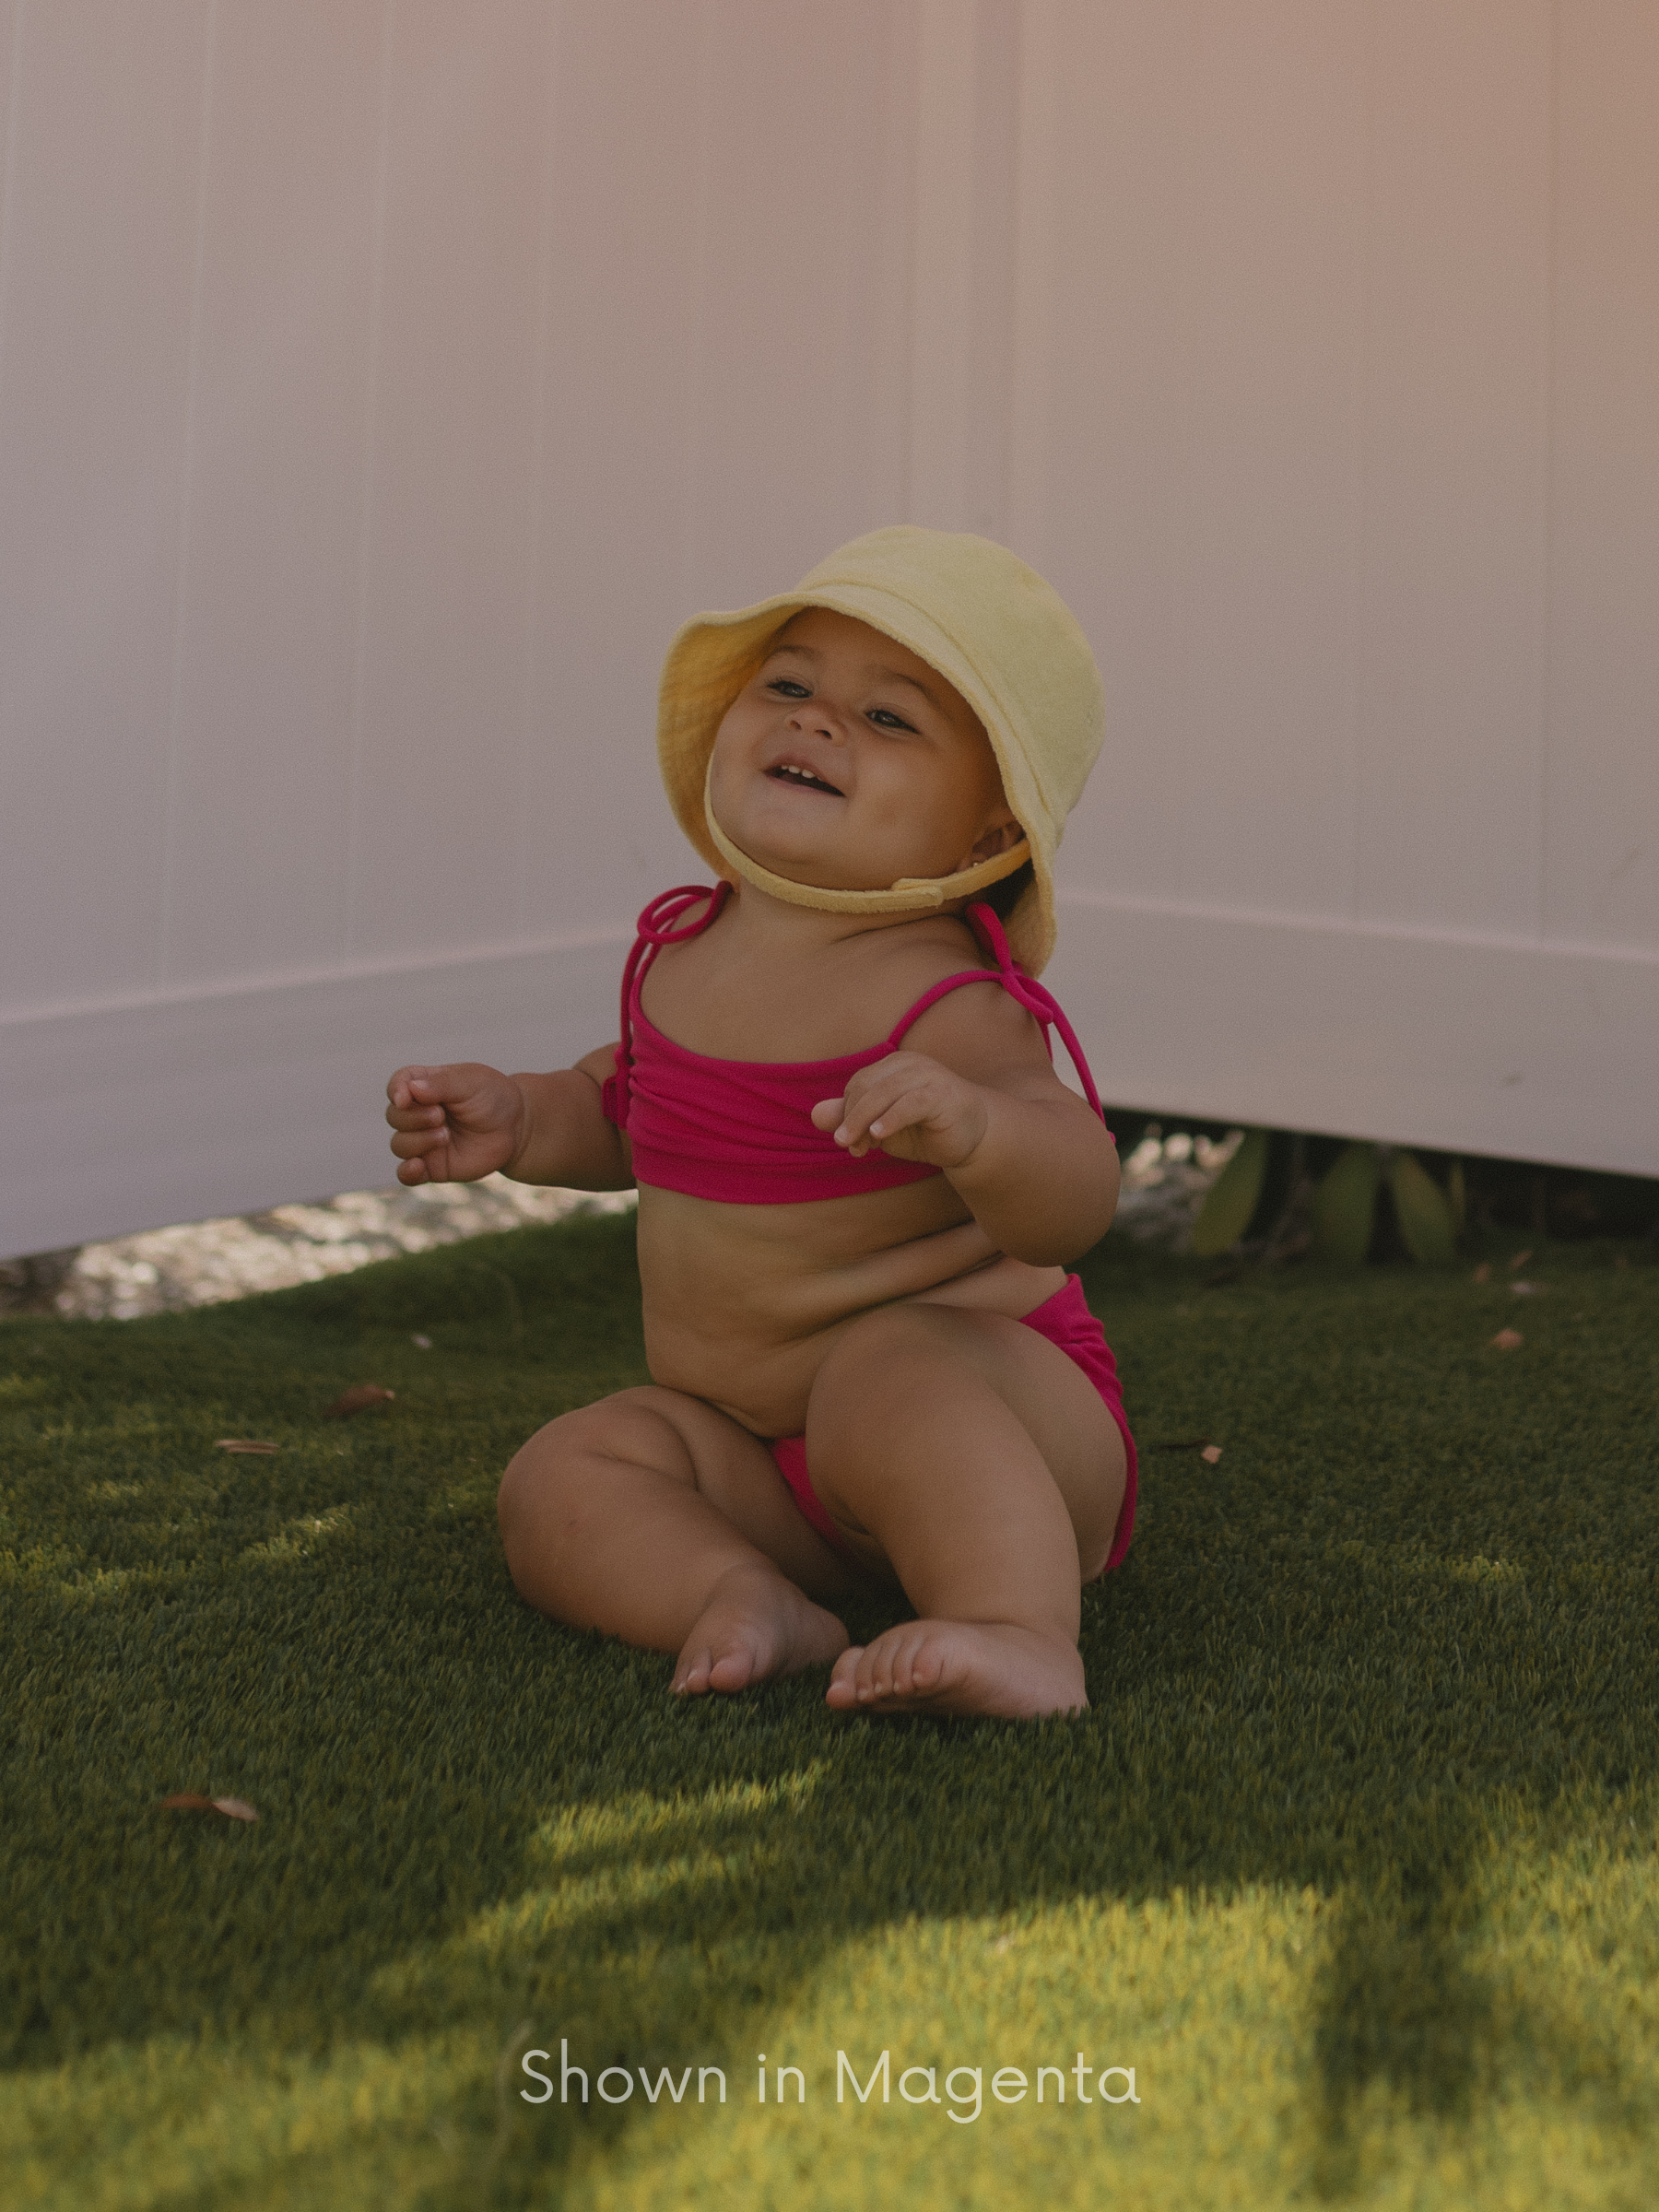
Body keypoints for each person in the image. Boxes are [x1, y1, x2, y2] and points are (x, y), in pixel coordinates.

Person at [384, 526, 1135, 1720]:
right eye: (788, 686)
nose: (817, 721)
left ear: (988, 835)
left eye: (888, 717)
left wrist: (981, 1130)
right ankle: (746, 1595)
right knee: (567, 1468)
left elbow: (1076, 1195)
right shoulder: (687, 950)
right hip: (771, 1470)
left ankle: (1018, 1628)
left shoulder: (945, 997)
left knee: (888, 1365)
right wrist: (526, 1118)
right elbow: (634, 1113)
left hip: (1000, 1433)